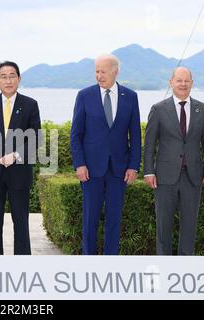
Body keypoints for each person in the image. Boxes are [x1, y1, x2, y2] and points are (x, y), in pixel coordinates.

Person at [70, 54, 141, 255]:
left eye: (103, 71)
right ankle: (89, 261)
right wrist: (79, 164)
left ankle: (111, 263)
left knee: (114, 220)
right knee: (90, 219)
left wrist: (134, 165)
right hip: (91, 169)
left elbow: (135, 135)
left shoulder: (131, 96)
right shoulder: (84, 96)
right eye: (96, 71)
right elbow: (76, 135)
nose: (98, 76)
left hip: (119, 169)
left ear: (115, 72)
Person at [144, 66, 204, 255]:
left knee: (189, 226)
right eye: (179, 80)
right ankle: (164, 267)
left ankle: (185, 269)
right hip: (164, 177)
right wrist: (148, 171)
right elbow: (149, 144)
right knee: (163, 226)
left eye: (186, 81)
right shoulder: (158, 109)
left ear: (192, 83)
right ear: (171, 82)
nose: (183, 84)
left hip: (193, 177)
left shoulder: (202, 109)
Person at [0, 61, 41, 255]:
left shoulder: (30, 105)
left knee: (21, 221)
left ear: (19, 79)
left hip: (19, 173)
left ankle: (22, 264)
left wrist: (17, 155)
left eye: (12, 76)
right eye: (4, 77)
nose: (8, 80)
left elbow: (35, 137)